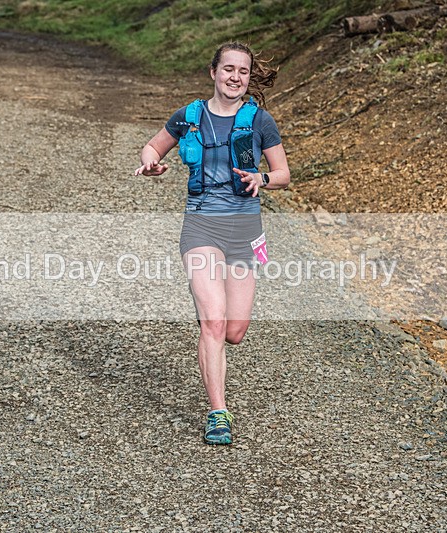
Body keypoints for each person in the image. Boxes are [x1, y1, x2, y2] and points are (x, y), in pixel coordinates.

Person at [134, 42, 290, 445]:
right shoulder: (189, 116)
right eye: (228, 69)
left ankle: (212, 330)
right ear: (213, 72)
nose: (236, 77)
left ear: (249, 77)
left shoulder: (260, 121)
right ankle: (218, 413)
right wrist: (151, 161)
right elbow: (153, 145)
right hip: (201, 226)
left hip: (246, 231)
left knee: (234, 331)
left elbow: (283, 172)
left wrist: (263, 179)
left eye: (243, 71)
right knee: (215, 322)